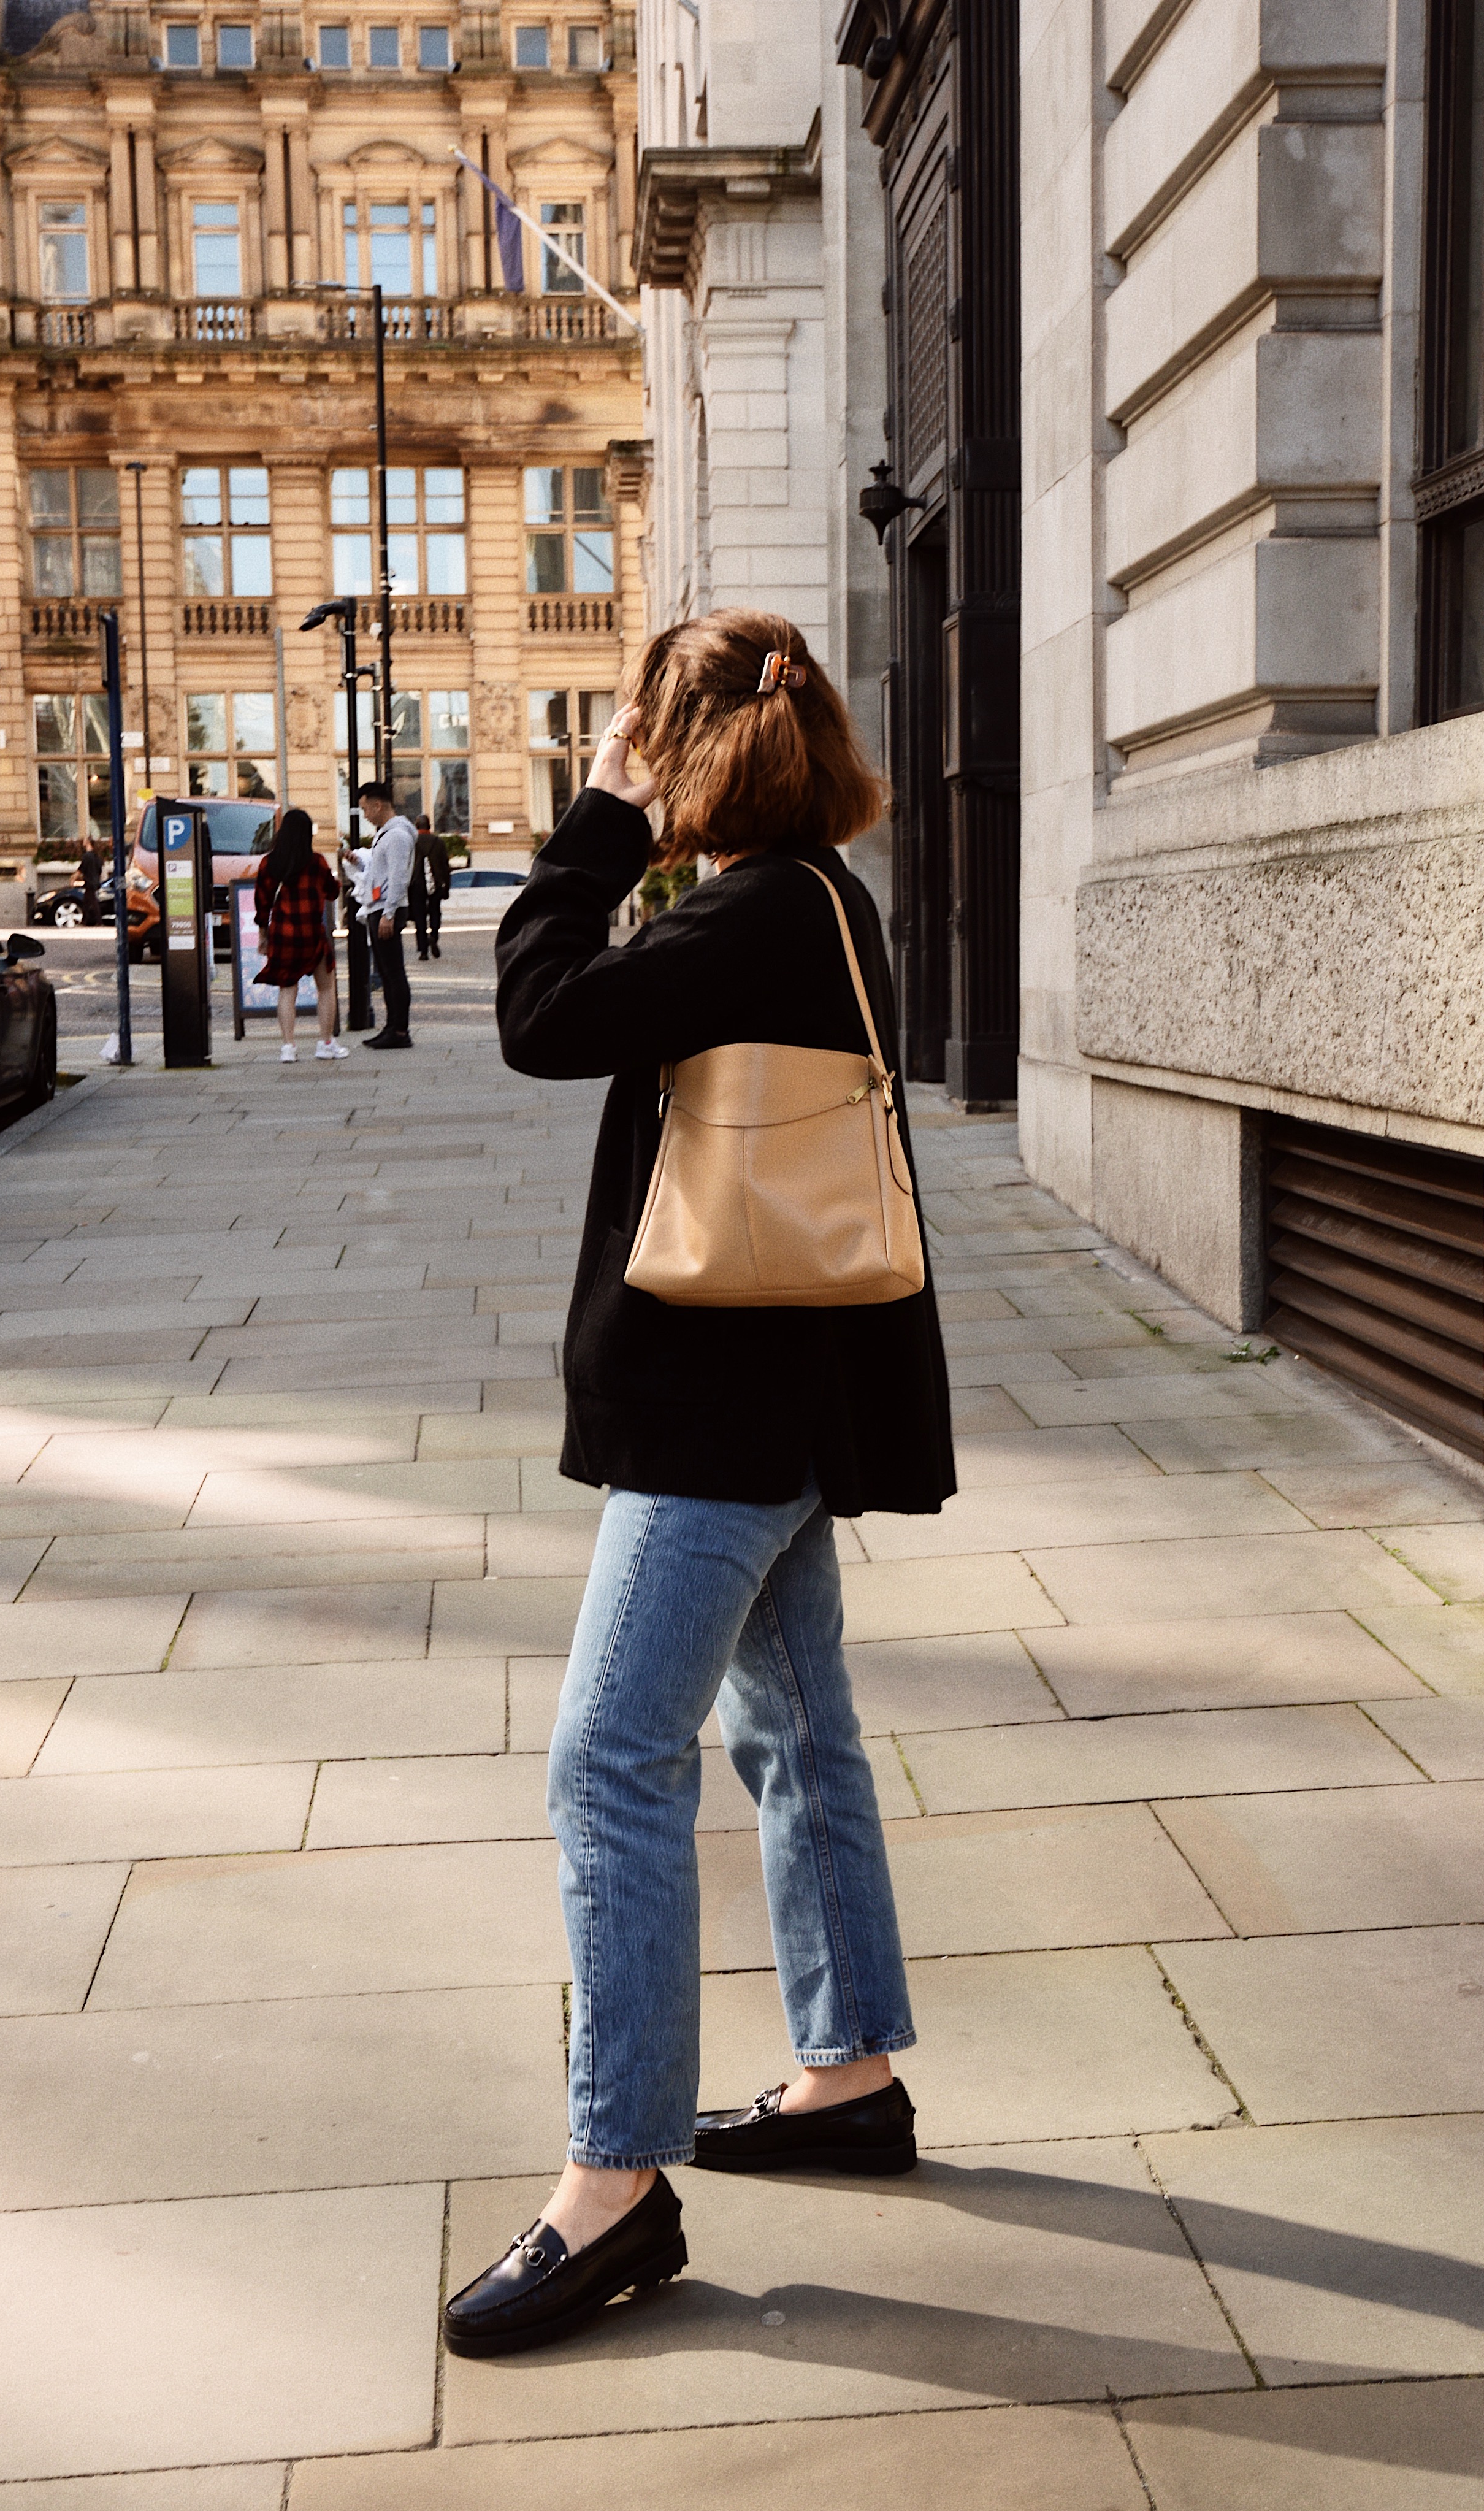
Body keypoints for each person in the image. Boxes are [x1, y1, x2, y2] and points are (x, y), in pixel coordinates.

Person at [443, 610, 954, 2359]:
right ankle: (848, 2072)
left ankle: (613, 2184)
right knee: (794, 1732)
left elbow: (538, 1014)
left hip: (719, 1412)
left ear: (682, 748)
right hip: (794, 1396)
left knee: (607, 1764)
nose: (627, 765)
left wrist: (591, 826)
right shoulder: (821, 899)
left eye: (639, 739)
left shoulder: (745, 915)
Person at [253, 807, 348, 1064]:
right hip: (312, 934)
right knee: (326, 988)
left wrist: (264, 936)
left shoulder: (269, 863)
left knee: (287, 990)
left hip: (283, 934)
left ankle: (288, 1047)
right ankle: (326, 1043)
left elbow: (262, 903)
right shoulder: (316, 862)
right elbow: (332, 892)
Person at [346, 781, 416, 1049]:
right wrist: (360, 861)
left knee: (393, 972)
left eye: (365, 809)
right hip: (381, 906)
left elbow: (398, 877)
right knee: (388, 973)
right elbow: (382, 870)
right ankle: (393, 1027)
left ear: (378, 805)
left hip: (387, 908)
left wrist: (389, 913)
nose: (365, 815)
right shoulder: (386, 834)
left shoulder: (397, 835)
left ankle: (399, 1031)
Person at [413, 813, 451, 959]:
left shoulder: (413, 842)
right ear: (429, 826)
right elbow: (445, 867)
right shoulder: (438, 842)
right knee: (435, 912)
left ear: (417, 826)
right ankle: (433, 936)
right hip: (436, 883)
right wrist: (447, 887)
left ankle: (423, 952)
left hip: (417, 884)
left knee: (419, 917)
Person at [78, 837, 103, 927]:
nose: (83, 842)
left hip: (89, 882)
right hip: (95, 881)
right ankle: (84, 921)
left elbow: (81, 869)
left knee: (93, 902)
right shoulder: (96, 856)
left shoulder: (87, 856)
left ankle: (99, 922)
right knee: (87, 902)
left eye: (84, 841)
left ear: (88, 843)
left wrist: (73, 878)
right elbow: (100, 869)